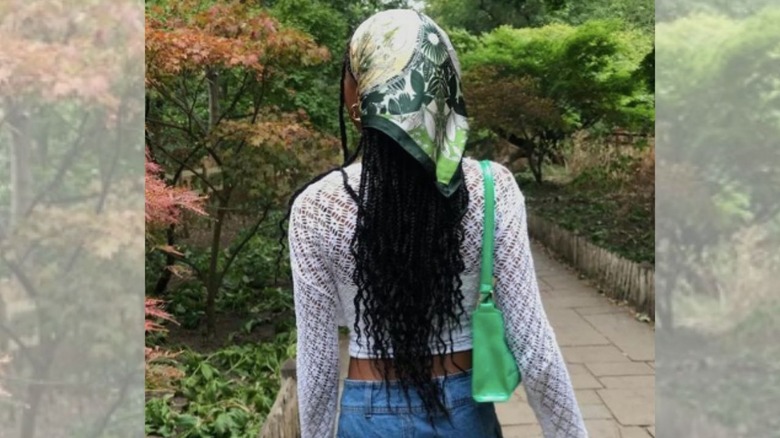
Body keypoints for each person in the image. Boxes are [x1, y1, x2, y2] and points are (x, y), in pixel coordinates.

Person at [283, 9, 587, 438]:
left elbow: (317, 360)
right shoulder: (490, 189)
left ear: (357, 96)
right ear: (446, 89)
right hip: (465, 414)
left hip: (366, 414)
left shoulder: (319, 207)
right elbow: (534, 351)